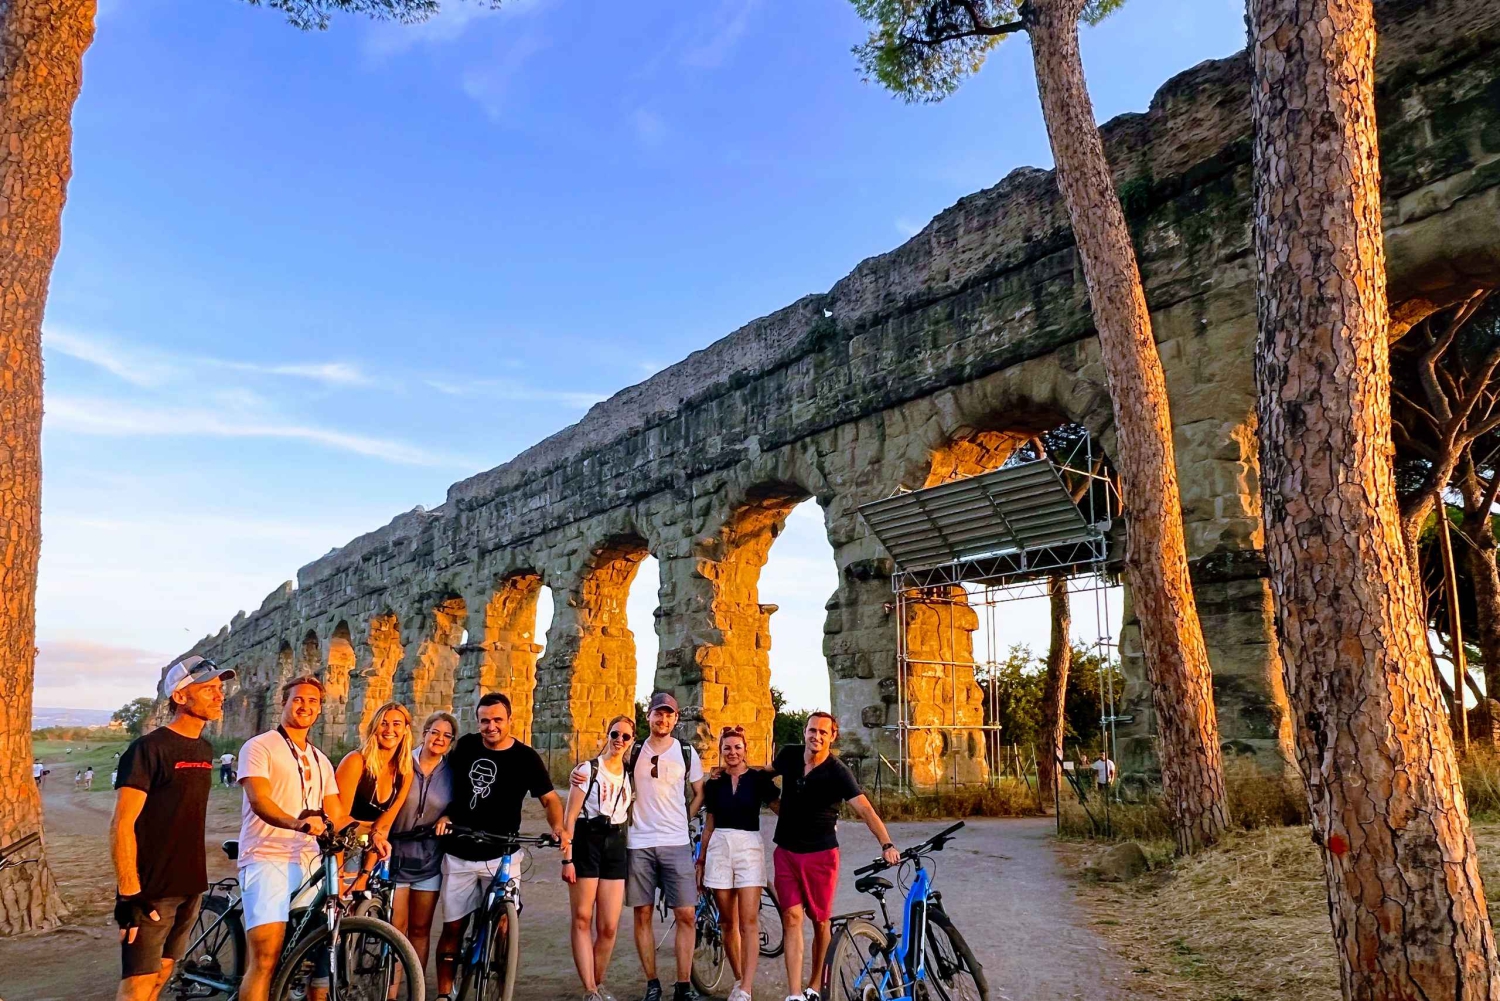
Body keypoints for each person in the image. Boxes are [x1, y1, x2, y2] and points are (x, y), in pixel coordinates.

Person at [110, 655, 234, 1001]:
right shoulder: (148, 749)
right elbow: (122, 823)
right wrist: (129, 894)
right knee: (137, 985)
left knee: (161, 975)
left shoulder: (204, 749)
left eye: (219, 688)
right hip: (151, 889)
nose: (218, 695)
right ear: (180, 697)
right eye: (208, 688)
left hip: (191, 883)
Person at [433, 692, 564, 1001]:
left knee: (505, 921)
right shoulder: (465, 746)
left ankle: (499, 971)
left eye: (497, 720)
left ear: (509, 720)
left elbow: (550, 799)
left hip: (503, 852)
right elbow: (442, 783)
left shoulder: (526, 757)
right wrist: (446, 814)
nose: (490, 726)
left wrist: (557, 827)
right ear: (477, 722)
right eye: (484, 721)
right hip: (460, 851)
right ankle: (443, 993)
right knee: (453, 927)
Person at [771, 712, 900, 1001]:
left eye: (823, 732)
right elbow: (763, 772)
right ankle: (794, 994)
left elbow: (865, 810)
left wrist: (887, 844)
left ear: (832, 736)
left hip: (820, 855)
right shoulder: (789, 756)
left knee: (820, 922)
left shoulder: (838, 771)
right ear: (804, 732)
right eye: (812, 730)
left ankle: (815, 985)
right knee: (791, 917)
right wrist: (731, 772)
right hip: (786, 852)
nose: (816, 736)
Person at [235, 676, 349, 1001]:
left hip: (309, 862)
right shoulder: (259, 746)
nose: (305, 706)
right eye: (298, 699)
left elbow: (337, 815)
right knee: (265, 958)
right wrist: (296, 824)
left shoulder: (321, 760)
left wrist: (375, 833)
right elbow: (260, 800)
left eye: (313, 702)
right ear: (283, 702)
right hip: (266, 855)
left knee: (302, 951)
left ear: (319, 711)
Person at [625, 692, 704, 1001]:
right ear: (648, 717)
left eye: (668, 714)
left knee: (686, 914)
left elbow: (700, 791)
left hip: (676, 842)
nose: (663, 719)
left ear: (675, 718)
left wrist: (686, 817)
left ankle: (683, 986)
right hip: (639, 842)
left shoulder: (686, 751)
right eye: (658, 713)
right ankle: (652, 983)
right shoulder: (633, 750)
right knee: (642, 914)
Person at [697, 726, 778, 1001]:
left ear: (746, 750)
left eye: (737, 747)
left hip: (748, 846)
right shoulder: (714, 783)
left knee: (749, 921)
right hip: (719, 845)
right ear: (721, 751)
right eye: (727, 748)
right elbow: (709, 825)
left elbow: (782, 809)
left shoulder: (757, 780)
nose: (732, 752)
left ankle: (747, 988)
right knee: (728, 921)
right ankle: (738, 979)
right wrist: (701, 859)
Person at [562, 713, 636, 1001]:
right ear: (607, 735)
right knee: (582, 917)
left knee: (608, 925)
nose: (619, 740)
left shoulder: (630, 772)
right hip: (586, 840)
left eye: (626, 736)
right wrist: (567, 858)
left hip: (615, 843)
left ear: (632, 741)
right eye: (615, 734)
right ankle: (590, 990)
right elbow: (569, 817)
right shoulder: (587, 769)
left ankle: (598, 981)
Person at [388, 711, 457, 982]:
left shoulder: (451, 772)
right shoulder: (401, 761)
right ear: (424, 732)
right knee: (396, 927)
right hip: (394, 854)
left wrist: (448, 816)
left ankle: (414, 988)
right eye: (435, 732)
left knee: (420, 929)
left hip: (428, 859)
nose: (439, 739)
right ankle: (391, 990)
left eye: (447, 736)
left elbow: (456, 806)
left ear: (451, 743)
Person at [334, 702, 412, 889]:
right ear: (374, 727)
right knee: (335, 911)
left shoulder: (405, 772)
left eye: (396, 724)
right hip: (340, 849)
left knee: (361, 906)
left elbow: (383, 828)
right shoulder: (356, 762)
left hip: (370, 850)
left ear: (406, 730)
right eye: (383, 723)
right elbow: (338, 824)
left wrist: (365, 875)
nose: (389, 730)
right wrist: (338, 877)